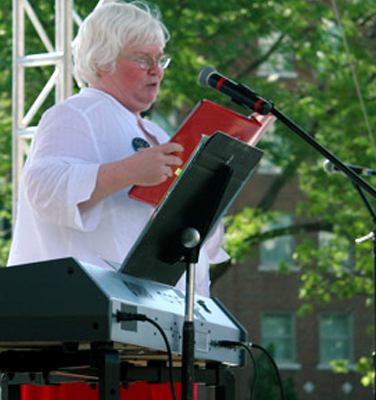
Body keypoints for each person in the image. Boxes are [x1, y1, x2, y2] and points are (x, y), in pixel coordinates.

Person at [8, 1, 228, 398]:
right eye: (143, 58)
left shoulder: (160, 134)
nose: (156, 70)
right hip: (86, 347)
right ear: (102, 61)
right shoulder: (76, 114)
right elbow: (44, 189)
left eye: (161, 59)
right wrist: (128, 171)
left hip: (160, 337)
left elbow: (195, 243)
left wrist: (211, 202)